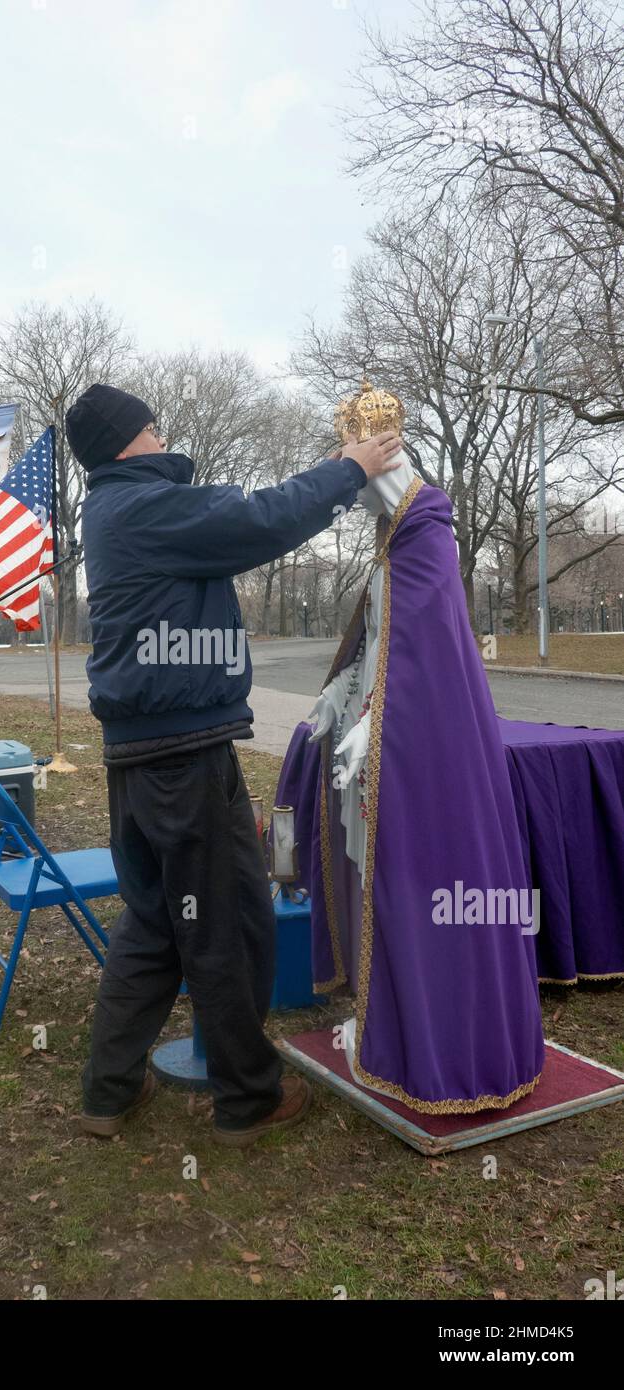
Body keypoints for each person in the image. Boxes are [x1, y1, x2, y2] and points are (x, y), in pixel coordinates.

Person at [66, 381, 403, 1147]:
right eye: (152, 430)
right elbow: (255, 521)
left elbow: (240, 519)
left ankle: (109, 1091)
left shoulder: (119, 507)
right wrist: (348, 470)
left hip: (142, 755)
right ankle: (248, 1098)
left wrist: (330, 472)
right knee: (225, 924)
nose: (161, 440)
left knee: (155, 921)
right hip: (182, 757)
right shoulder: (142, 505)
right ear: (127, 443)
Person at [304, 418, 544, 1112]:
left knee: (412, 885)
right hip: (373, 745)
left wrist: (375, 732)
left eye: (361, 477)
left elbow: (427, 671)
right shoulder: (394, 543)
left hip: (415, 757)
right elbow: (376, 648)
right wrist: (336, 701)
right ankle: (387, 1022)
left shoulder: (427, 539)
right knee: (373, 878)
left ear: (386, 469)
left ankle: (432, 1042)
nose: (356, 496)